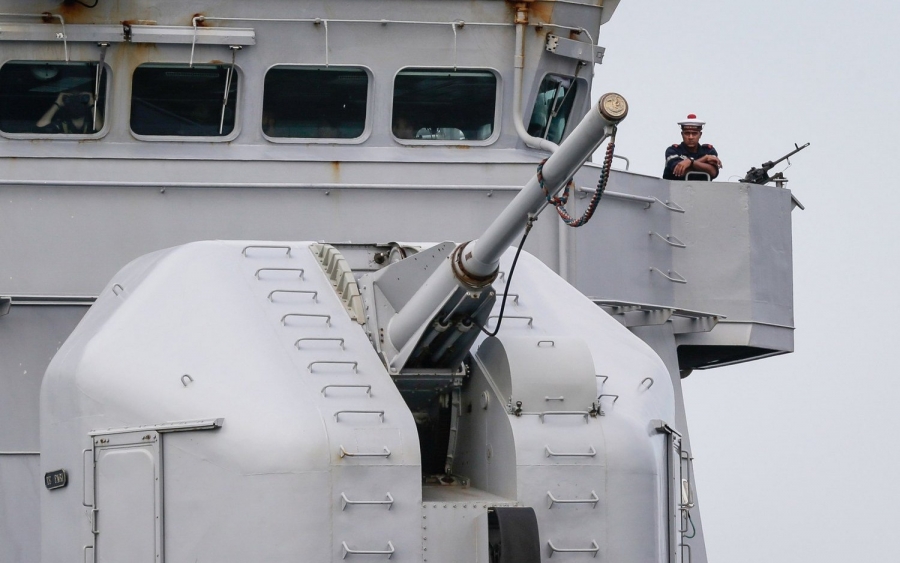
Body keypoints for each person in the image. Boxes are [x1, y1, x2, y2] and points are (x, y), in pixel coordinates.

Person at [663, 114, 722, 180]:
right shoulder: (673, 151)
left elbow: (713, 172)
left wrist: (690, 162)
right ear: (682, 134)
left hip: (702, 186)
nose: (690, 137)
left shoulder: (708, 151)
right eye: (687, 133)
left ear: (700, 135)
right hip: (676, 186)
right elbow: (680, 171)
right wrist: (704, 159)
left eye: (694, 134)